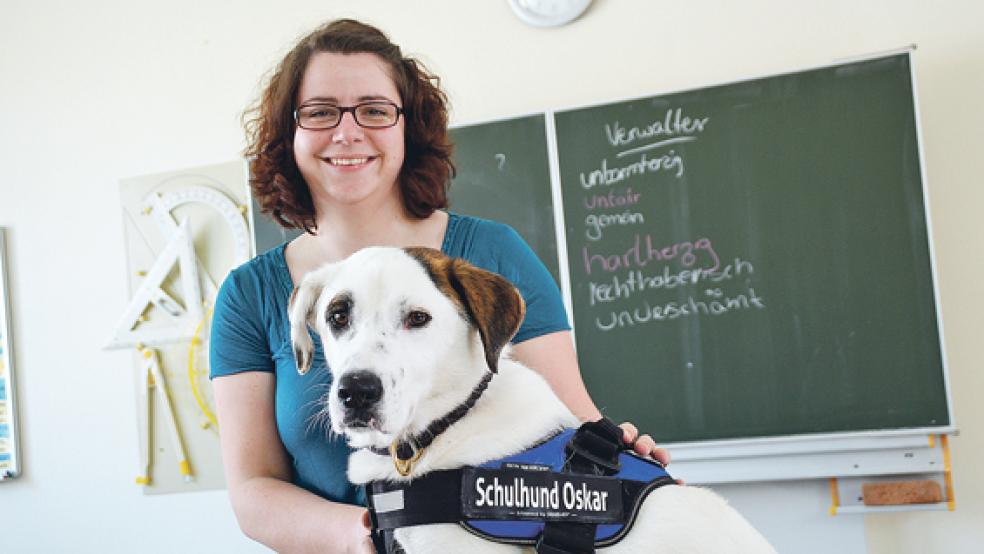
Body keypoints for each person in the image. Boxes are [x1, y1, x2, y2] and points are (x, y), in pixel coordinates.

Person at [210, 18, 669, 553]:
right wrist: (386, 538)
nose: (348, 131)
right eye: (320, 112)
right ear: (289, 133)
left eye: (375, 110)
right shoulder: (250, 294)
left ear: (409, 128)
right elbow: (252, 490)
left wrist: (626, 470)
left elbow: (572, 424)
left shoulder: (492, 256)